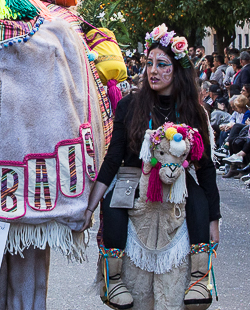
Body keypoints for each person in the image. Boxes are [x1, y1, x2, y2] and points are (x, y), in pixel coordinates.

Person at [85, 25, 220, 310]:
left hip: (178, 183)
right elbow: (113, 159)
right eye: (149, 63)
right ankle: (114, 278)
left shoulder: (194, 111)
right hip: (133, 180)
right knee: (113, 204)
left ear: (177, 69)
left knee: (196, 198)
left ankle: (200, 275)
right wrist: (89, 207)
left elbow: (206, 169)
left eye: (162, 65)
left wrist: (213, 221)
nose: (153, 71)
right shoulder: (130, 105)